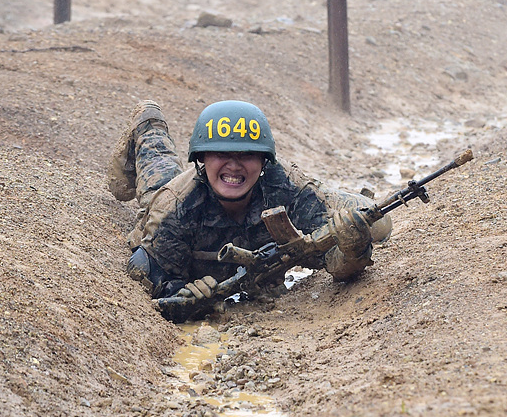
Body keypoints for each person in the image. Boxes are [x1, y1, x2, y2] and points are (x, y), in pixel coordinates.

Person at [106, 99, 389, 322]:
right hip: (169, 197)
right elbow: (150, 280)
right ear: (202, 159)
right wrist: (190, 297)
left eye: (247, 155)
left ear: (264, 161)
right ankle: (148, 123)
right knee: (159, 175)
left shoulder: (286, 184)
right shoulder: (176, 205)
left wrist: (354, 250)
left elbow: (335, 261)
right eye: (221, 154)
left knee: (376, 224)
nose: (234, 165)